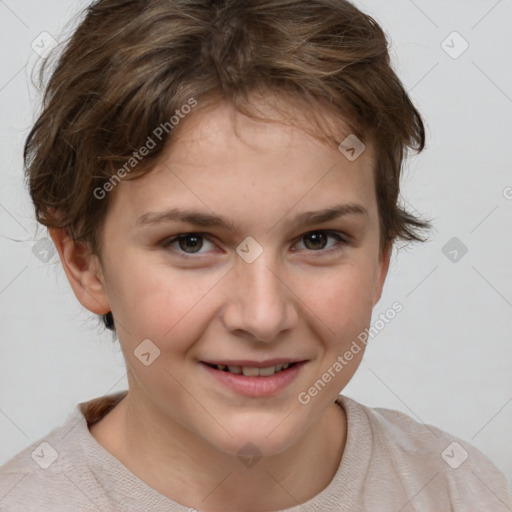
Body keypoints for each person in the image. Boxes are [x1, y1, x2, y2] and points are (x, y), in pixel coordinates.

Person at [1, 0, 511, 510]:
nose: (263, 317)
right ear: (84, 263)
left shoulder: (460, 492)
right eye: (191, 242)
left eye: (318, 239)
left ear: (381, 258)